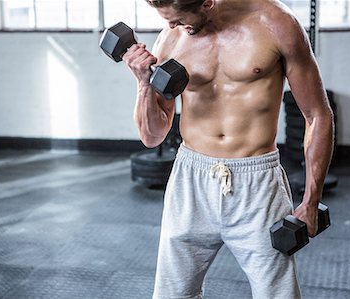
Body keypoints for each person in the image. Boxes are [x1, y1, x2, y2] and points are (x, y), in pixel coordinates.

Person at [122, 0, 334, 298]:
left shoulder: (276, 23)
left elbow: (317, 115)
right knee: (173, 294)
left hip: (257, 184)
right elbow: (153, 136)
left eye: (179, 19)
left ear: (207, 2)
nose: (171, 26)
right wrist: (143, 85)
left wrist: (311, 200)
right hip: (191, 181)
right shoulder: (170, 39)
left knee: (278, 293)